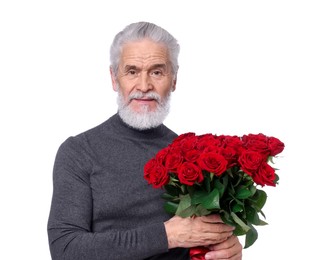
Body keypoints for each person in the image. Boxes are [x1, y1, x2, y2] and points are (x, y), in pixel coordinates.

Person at [47, 21, 243, 260]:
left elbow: (201, 240)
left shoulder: (194, 155)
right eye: (132, 71)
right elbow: (65, 249)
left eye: (157, 72)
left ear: (174, 80)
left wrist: (226, 249)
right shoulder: (79, 151)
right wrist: (167, 236)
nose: (144, 86)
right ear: (114, 78)